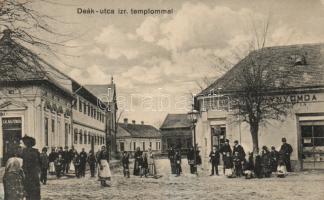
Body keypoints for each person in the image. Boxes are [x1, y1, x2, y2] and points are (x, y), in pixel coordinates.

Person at [20, 135, 41, 200]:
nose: (20, 144)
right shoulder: (36, 151)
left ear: (26, 144)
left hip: (28, 176)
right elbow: (39, 163)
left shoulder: (25, 152)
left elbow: (25, 165)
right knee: (35, 193)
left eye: (21, 143)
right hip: (35, 175)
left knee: (29, 193)